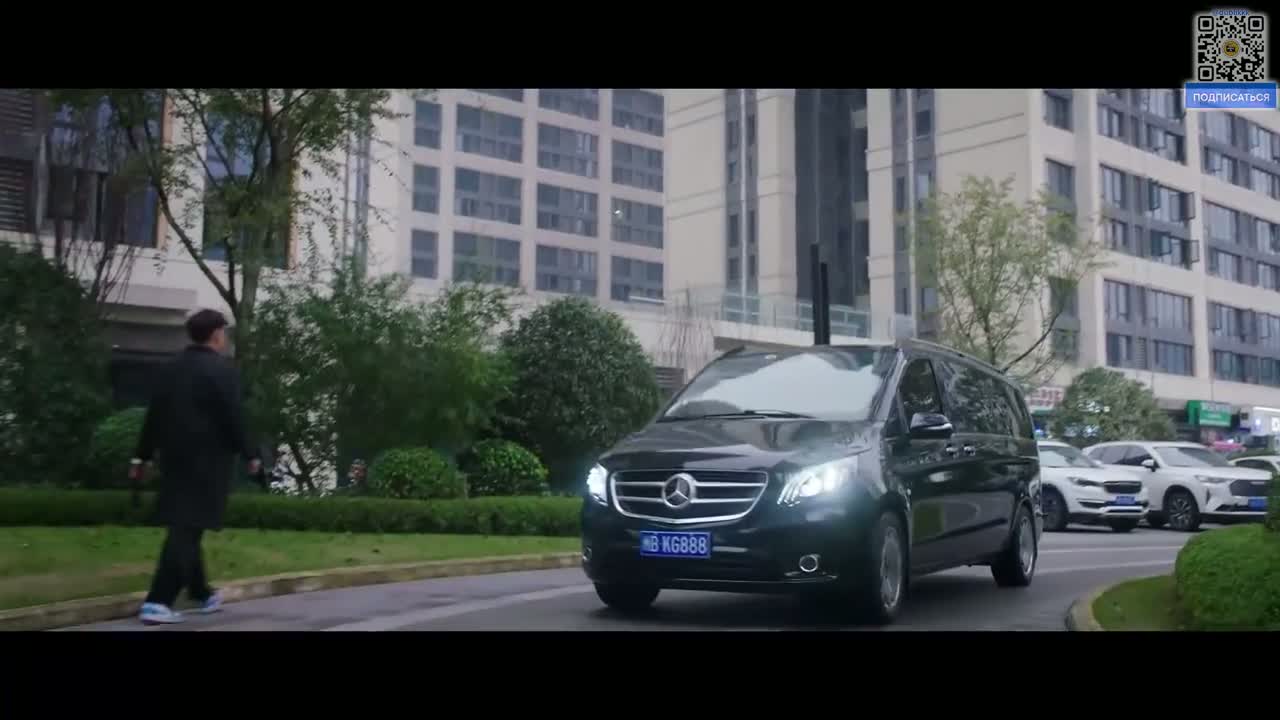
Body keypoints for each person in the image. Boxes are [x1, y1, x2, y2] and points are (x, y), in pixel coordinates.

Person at [129, 308, 260, 625]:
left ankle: (201, 593)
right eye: (224, 332)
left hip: (173, 459)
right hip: (208, 463)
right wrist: (251, 455)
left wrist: (141, 457)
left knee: (186, 523)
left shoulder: (170, 368)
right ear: (216, 334)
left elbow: (154, 416)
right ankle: (158, 600)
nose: (225, 337)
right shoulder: (223, 371)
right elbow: (234, 417)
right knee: (187, 528)